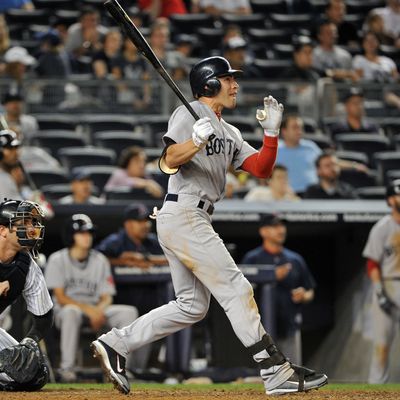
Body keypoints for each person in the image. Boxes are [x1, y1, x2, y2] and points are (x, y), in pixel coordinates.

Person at [90, 55, 327, 395]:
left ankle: (116, 344)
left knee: (192, 306)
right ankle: (274, 369)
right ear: (210, 84)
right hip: (184, 212)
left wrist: (271, 134)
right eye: (228, 79)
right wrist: (195, 141)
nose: (235, 85)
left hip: (189, 217)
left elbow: (260, 168)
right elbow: (169, 161)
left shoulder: (228, 130)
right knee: (236, 287)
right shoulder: (188, 113)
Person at [45, 214, 139, 382]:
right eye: (81, 233)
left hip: (96, 308)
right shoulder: (57, 259)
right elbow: (60, 297)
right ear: (71, 236)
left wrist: (98, 311)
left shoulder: (100, 260)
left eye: (88, 233)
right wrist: (90, 311)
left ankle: (120, 369)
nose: (87, 237)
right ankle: (67, 369)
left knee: (128, 312)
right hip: (67, 311)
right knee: (70, 311)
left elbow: (107, 296)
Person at [241, 214, 316, 365]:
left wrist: (303, 295)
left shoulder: (295, 259)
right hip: (260, 330)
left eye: (282, 226)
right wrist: (271, 276)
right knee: (263, 375)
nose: (281, 230)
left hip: (289, 325)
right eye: (275, 226)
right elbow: (241, 291)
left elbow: (310, 291)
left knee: (292, 370)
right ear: (263, 231)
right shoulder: (252, 258)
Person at [0, 199, 53, 391]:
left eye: (33, 222)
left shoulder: (26, 264)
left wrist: (29, 341)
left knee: (33, 373)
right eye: (24, 223)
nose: (31, 228)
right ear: (3, 230)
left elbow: (44, 316)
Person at [362, 179, 400, 383]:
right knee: (382, 344)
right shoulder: (382, 227)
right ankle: (377, 389)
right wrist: (379, 292)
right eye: (398, 195)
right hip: (389, 284)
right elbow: (372, 264)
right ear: (390, 200)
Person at [96, 203, 167, 269]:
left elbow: (172, 259)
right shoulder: (115, 241)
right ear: (128, 224)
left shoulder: (153, 240)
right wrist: (121, 262)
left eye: (147, 220)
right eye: (140, 221)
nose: (146, 225)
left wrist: (146, 258)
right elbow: (94, 259)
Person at [276, 115, 322, 195]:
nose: (299, 131)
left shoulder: (310, 147)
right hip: (284, 197)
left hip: (313, 195)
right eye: (295, 128)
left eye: (301, 128)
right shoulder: (273, 149)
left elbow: (330, 162)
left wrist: (351, 165)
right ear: (284, 131)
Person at [0, 129, 22, 201]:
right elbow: (16, 211)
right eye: (10, 149)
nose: (15, 153)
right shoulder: (3, 179)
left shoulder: (6, 176)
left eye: (16, 148)